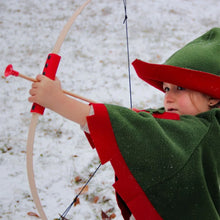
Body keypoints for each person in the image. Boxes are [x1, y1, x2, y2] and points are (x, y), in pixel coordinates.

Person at [28, 27, 220, 220]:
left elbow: (138, 131)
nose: (168, 97)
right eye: (166, 88)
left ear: (212, 97)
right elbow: (143, 122)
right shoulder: (202, 122)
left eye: (179, 88)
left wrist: (57, 101)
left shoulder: (200, 132)